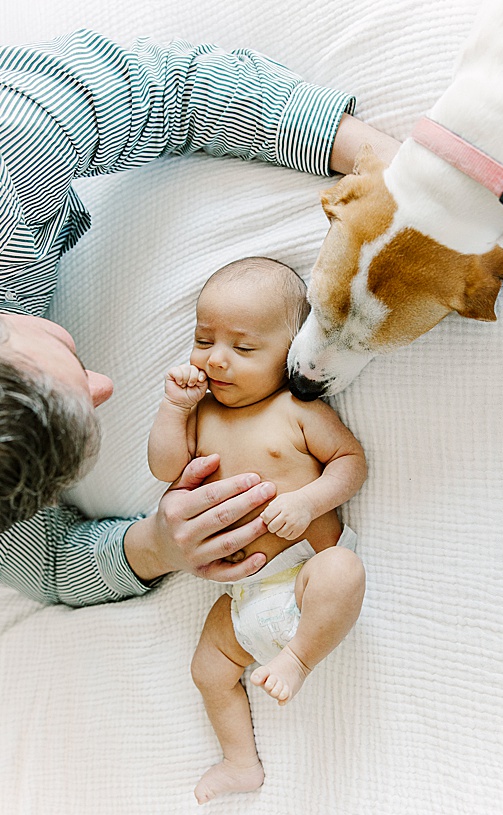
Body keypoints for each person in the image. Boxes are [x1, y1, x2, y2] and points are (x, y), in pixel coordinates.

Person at [0, 29, 399, 604]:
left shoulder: (15, 152)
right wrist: (155, 545)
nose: (104, 383)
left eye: (70, 373)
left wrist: (384, 166)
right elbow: (41, 562)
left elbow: (169, 89)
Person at [147, 258, 367, 803]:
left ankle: (298, 658)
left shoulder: (296, 410)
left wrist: (308, 500)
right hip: (244, 594)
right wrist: (174, 408)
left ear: (290, 353)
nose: (216, 359)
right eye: (204, 340)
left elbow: (350, 462)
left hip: (303, 574)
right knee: (208, 667)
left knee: (344, 570)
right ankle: (240, 760)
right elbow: (163, 468)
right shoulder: (200, 415)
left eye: (243, 349)